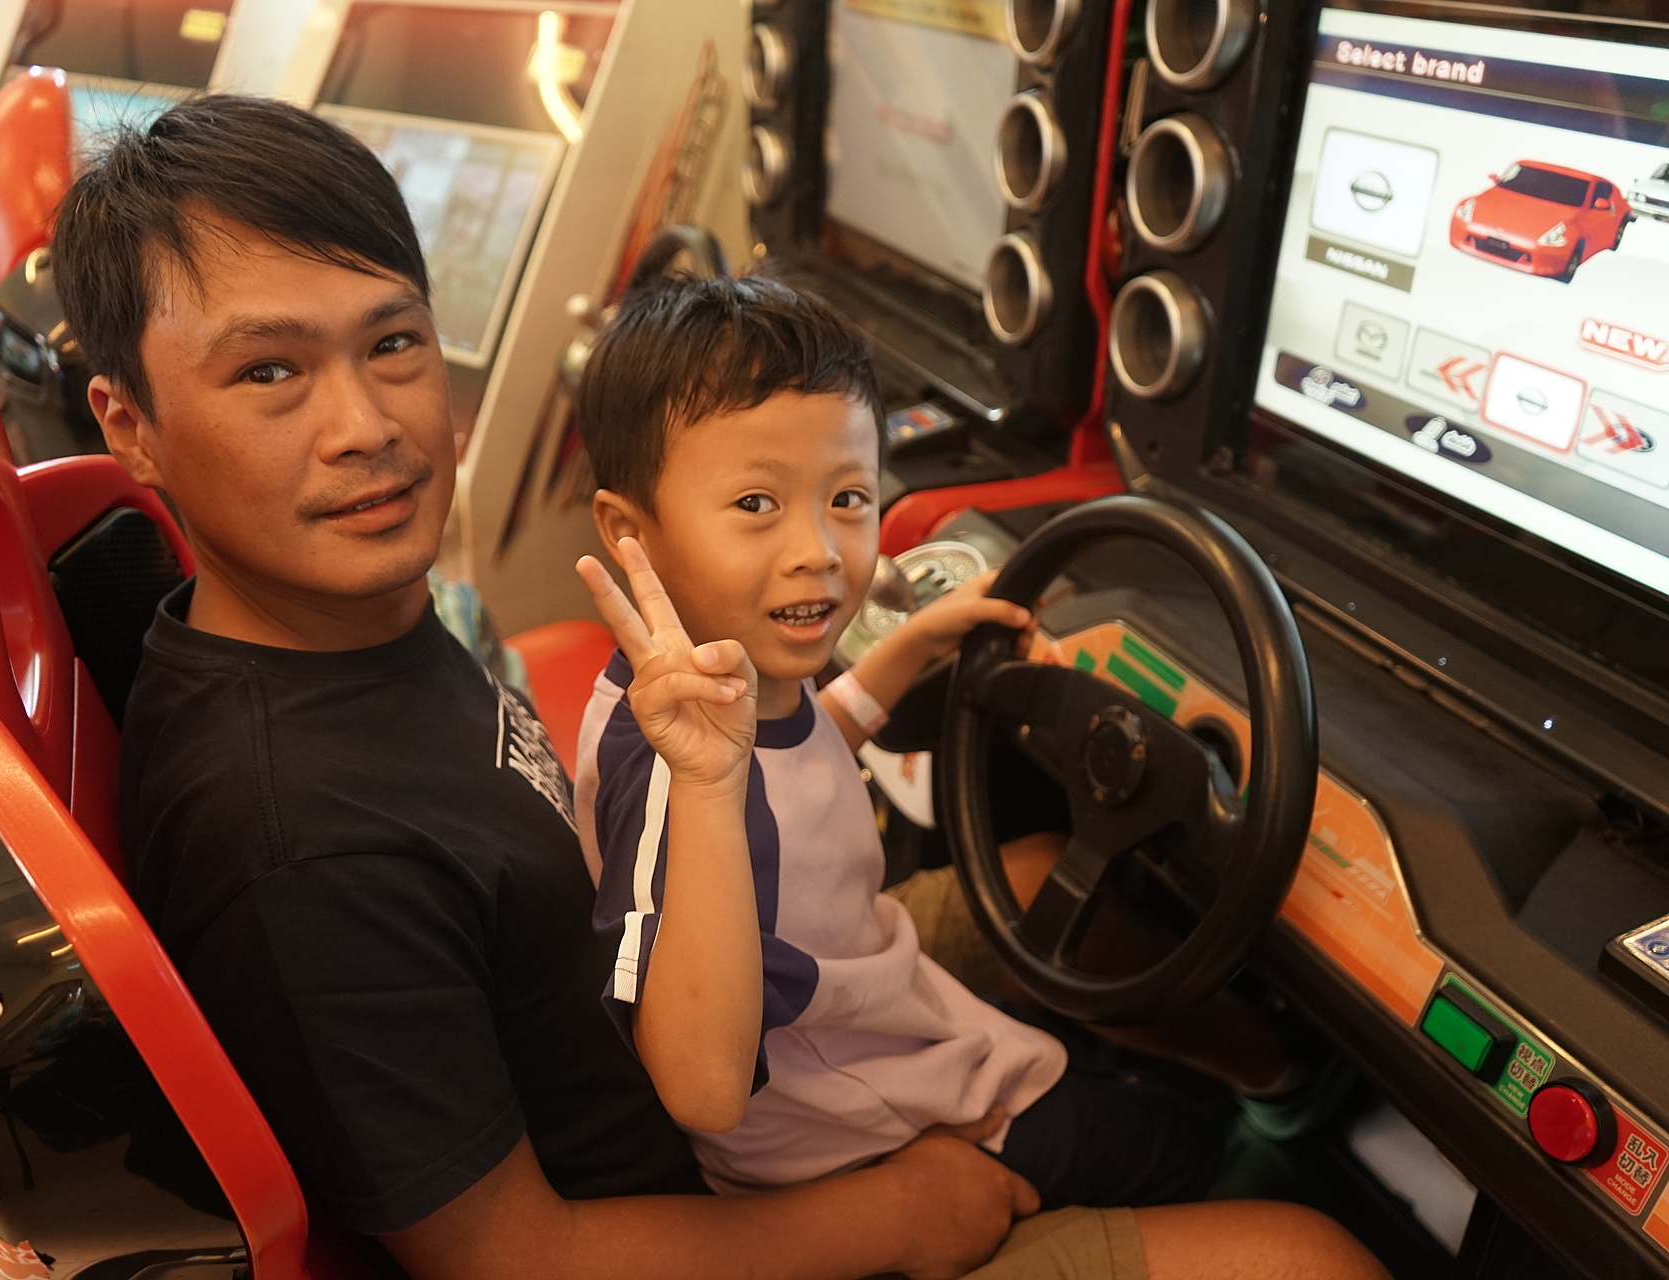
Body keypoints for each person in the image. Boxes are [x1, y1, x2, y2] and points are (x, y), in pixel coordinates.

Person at [53, 91, 1378, 1280]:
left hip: (732, 1018)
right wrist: (891, 1217)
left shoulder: (352, 624)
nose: (368, 426)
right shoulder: (296, 848)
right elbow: (511, 1258)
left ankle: (1274, 1101)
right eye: (270, 371)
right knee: (1308, 1256)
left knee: (1041, 880)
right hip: (724, 1185)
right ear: (129, 426)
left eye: (393, 341)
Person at [572, 274, 1388, 1278]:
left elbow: (796, 760)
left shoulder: (715, 680)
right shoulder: (681, 767)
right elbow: (702, 1089)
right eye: (755, 504)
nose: (818, 552)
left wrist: (906, 651)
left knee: (1045, 892)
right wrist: (703, 784)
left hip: (869, 1024)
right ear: (629, 532)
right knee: (1172, 1136)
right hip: (850, 1125)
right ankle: (1240, 1152)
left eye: (848, 498)